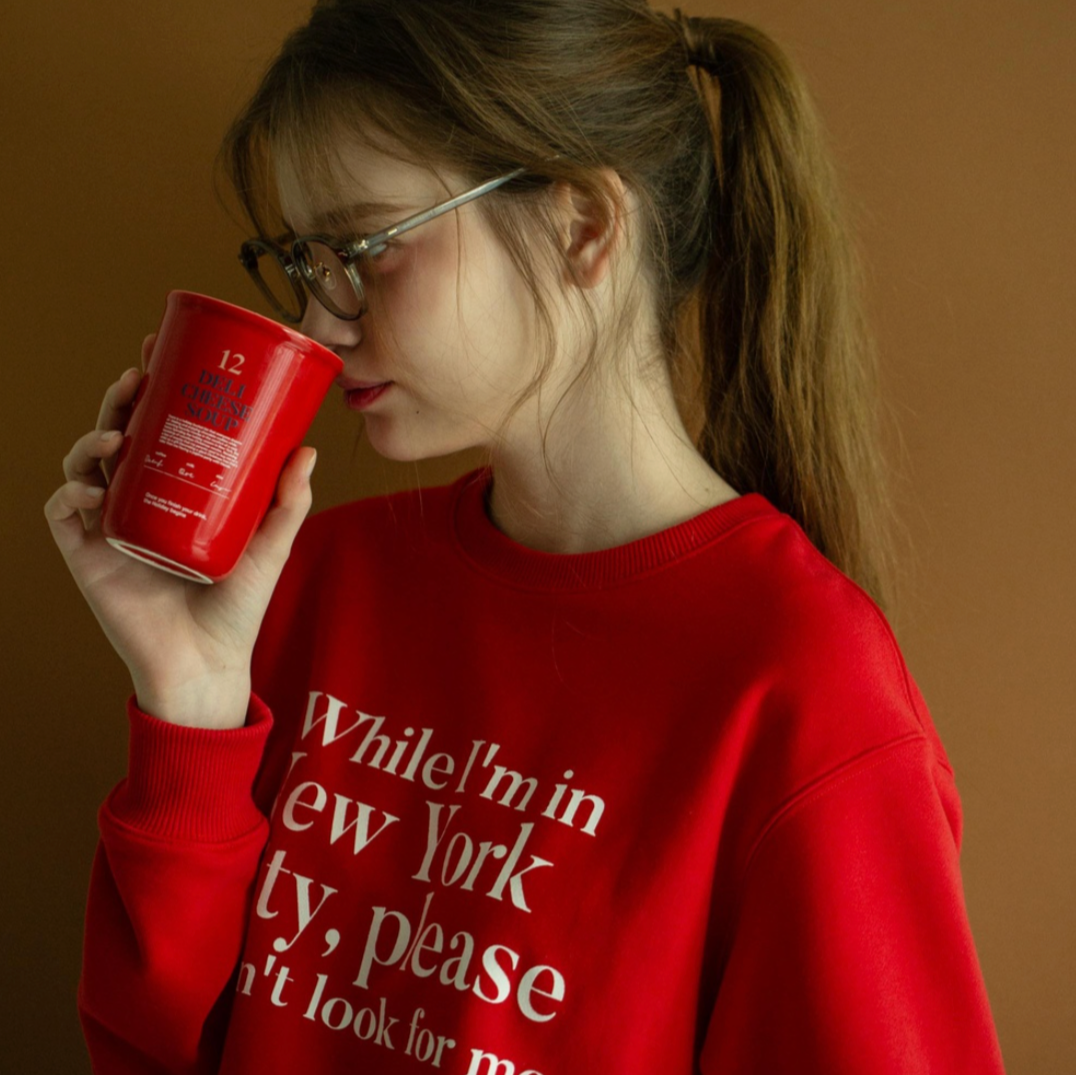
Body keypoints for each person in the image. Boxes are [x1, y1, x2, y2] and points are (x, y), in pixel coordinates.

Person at [45, 2, 1008, 1072]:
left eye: (365, 248)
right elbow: (153, 1048)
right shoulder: (309, 579)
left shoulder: (803, 695)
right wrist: (188, 698)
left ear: (582, 225)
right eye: (304, 260)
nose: (319, 322)